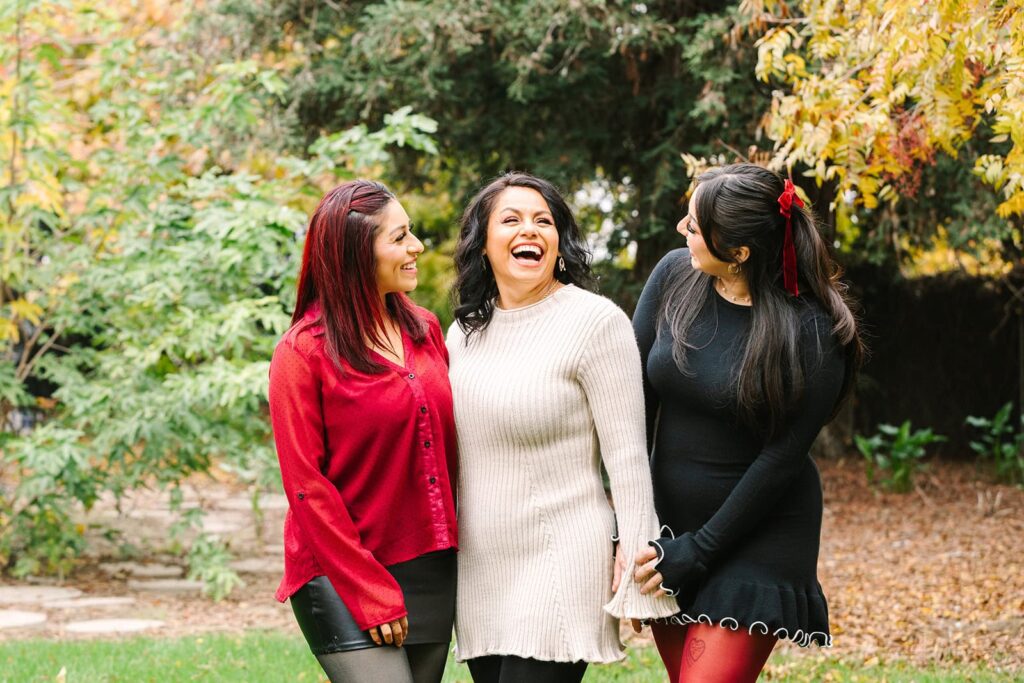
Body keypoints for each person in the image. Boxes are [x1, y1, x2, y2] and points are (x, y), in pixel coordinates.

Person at [630, 163, 864, 682]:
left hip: (758, 535)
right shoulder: (674, 276)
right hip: (671, 527)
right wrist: (632, 525)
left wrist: (701, 550)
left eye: (693, 226)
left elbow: (782, 457)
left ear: (738, 253)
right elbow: (633, 402)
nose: (680, 232)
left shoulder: (816, 330)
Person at [447, 172, 678, 683]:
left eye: (543, 221)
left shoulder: (596, 322)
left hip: (562, 556)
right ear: (483, 244)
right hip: (482, 566)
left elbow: (627, 455)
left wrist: (638, 562)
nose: (529, 230)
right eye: (510, 220)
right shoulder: (464, 333)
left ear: (558, 243)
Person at [267, 180, 458, 683]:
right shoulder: (303, 352)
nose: (416, 247)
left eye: (411, 233)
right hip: (342, 570)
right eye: (399, 238)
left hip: (430, 563)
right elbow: (305, 485)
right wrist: (370, 590)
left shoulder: (424, 329)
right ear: (356, 255)